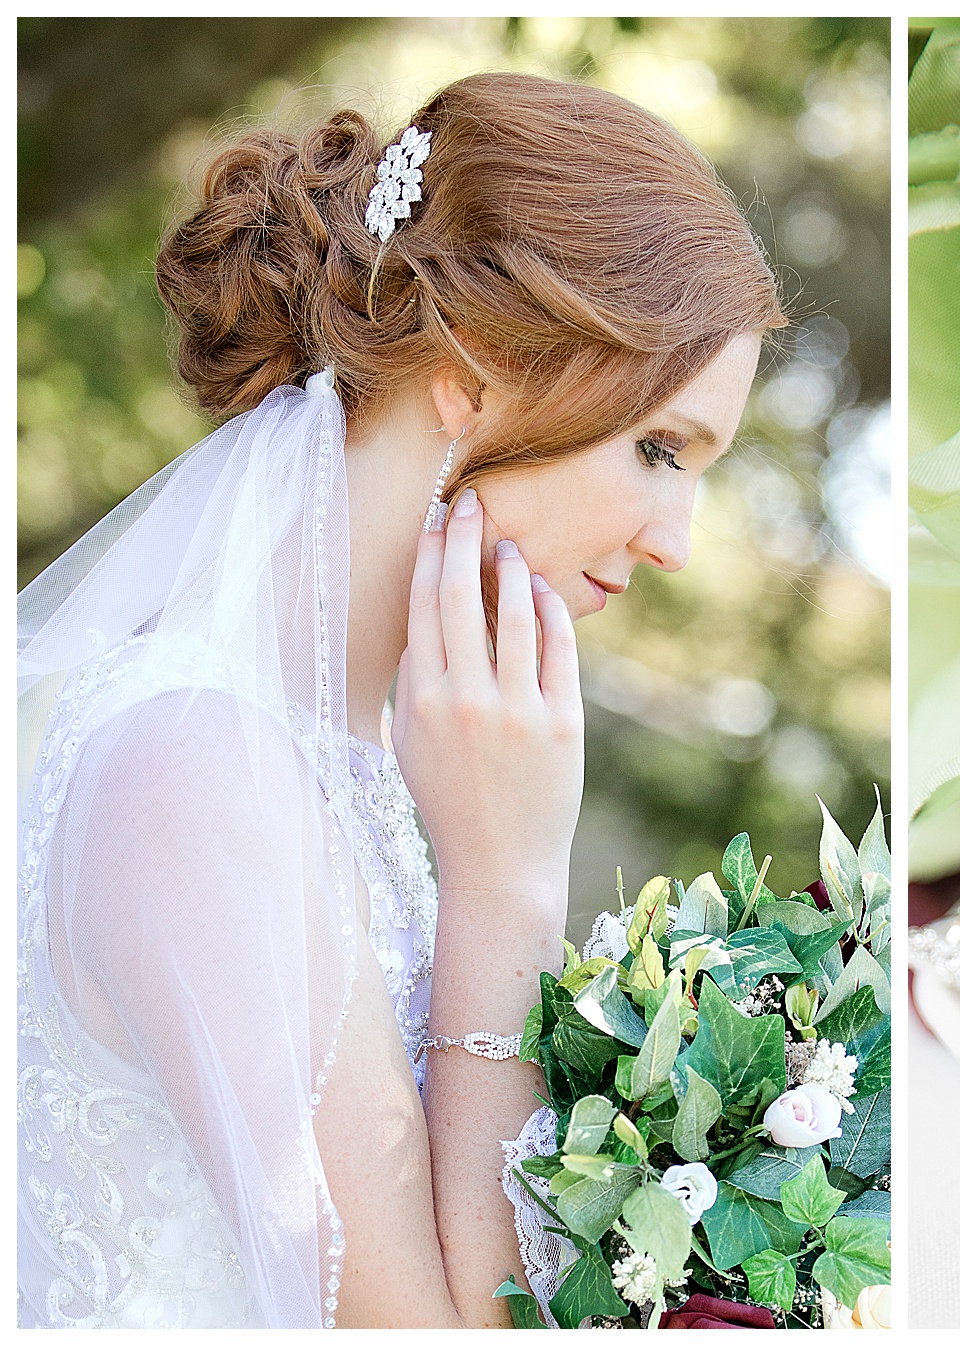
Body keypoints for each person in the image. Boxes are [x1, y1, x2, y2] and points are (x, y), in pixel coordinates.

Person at [17, 70, 783, 1328]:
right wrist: (509, 881)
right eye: (657, 450)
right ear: (476, 366)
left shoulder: (356, 750)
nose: (676, 543)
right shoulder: (199, 767)